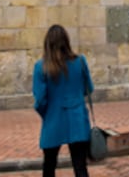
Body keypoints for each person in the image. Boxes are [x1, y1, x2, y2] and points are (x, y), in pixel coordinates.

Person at [33, 24, 94, 177]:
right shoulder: (80, 61)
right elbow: (89, 89)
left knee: (49, 166)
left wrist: (47, 114)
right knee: (80, 167)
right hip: (77, 119)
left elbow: (40, 100)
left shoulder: (41, 67)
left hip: (54, 119)